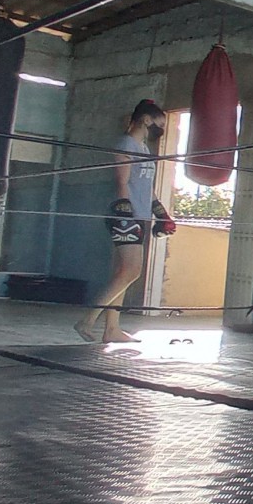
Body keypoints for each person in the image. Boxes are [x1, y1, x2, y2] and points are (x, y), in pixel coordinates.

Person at [74, 99, 172, 343]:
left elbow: (146, 186)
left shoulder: (145, 149)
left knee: (122, 273)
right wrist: (126, 216)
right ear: (147, 120)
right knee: (131, 270)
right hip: (124, 215)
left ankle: (112, 329)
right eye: (159, 124)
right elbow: (122, 181)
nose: (161, 130)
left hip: (138, 214)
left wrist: (161, 213)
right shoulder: (126, 144)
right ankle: (87, 320)